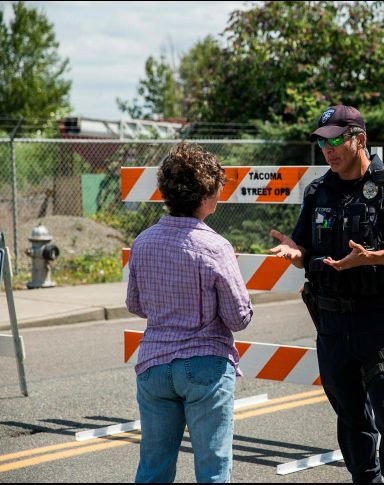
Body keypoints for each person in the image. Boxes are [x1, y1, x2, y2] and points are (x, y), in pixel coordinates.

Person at [270, 105, 384, 483]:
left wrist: (372, 258)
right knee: (350, 415)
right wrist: (296, 254)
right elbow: (306, 250)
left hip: (376, 319)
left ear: (358, 139)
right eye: (322, 143)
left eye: (335, 141)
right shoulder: (318, 191)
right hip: (330, 323)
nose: (327, 150)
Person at [126, 143, 254, 483]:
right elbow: (238, 318)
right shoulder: (215, 246)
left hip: (153, 365)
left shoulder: (143, 242)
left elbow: (135, 304)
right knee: (213, 467)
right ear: (206, 195)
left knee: (153, 467)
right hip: (205, 366)